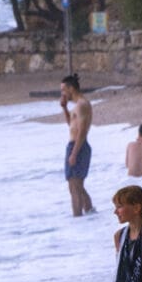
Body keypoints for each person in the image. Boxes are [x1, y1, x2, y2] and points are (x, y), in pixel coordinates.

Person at [60, 73, 94, 217]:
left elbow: (82, 131)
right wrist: (64, 108)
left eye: (63, 90)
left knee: (74, 187)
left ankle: (78, 218)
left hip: (78, 146)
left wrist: (74, 153)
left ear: (71, 89)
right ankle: (89, 214)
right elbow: (72, 125)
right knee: (77, 186)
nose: (62, 93)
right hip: (76, 146)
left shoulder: (82, 105)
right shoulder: (77, 106)